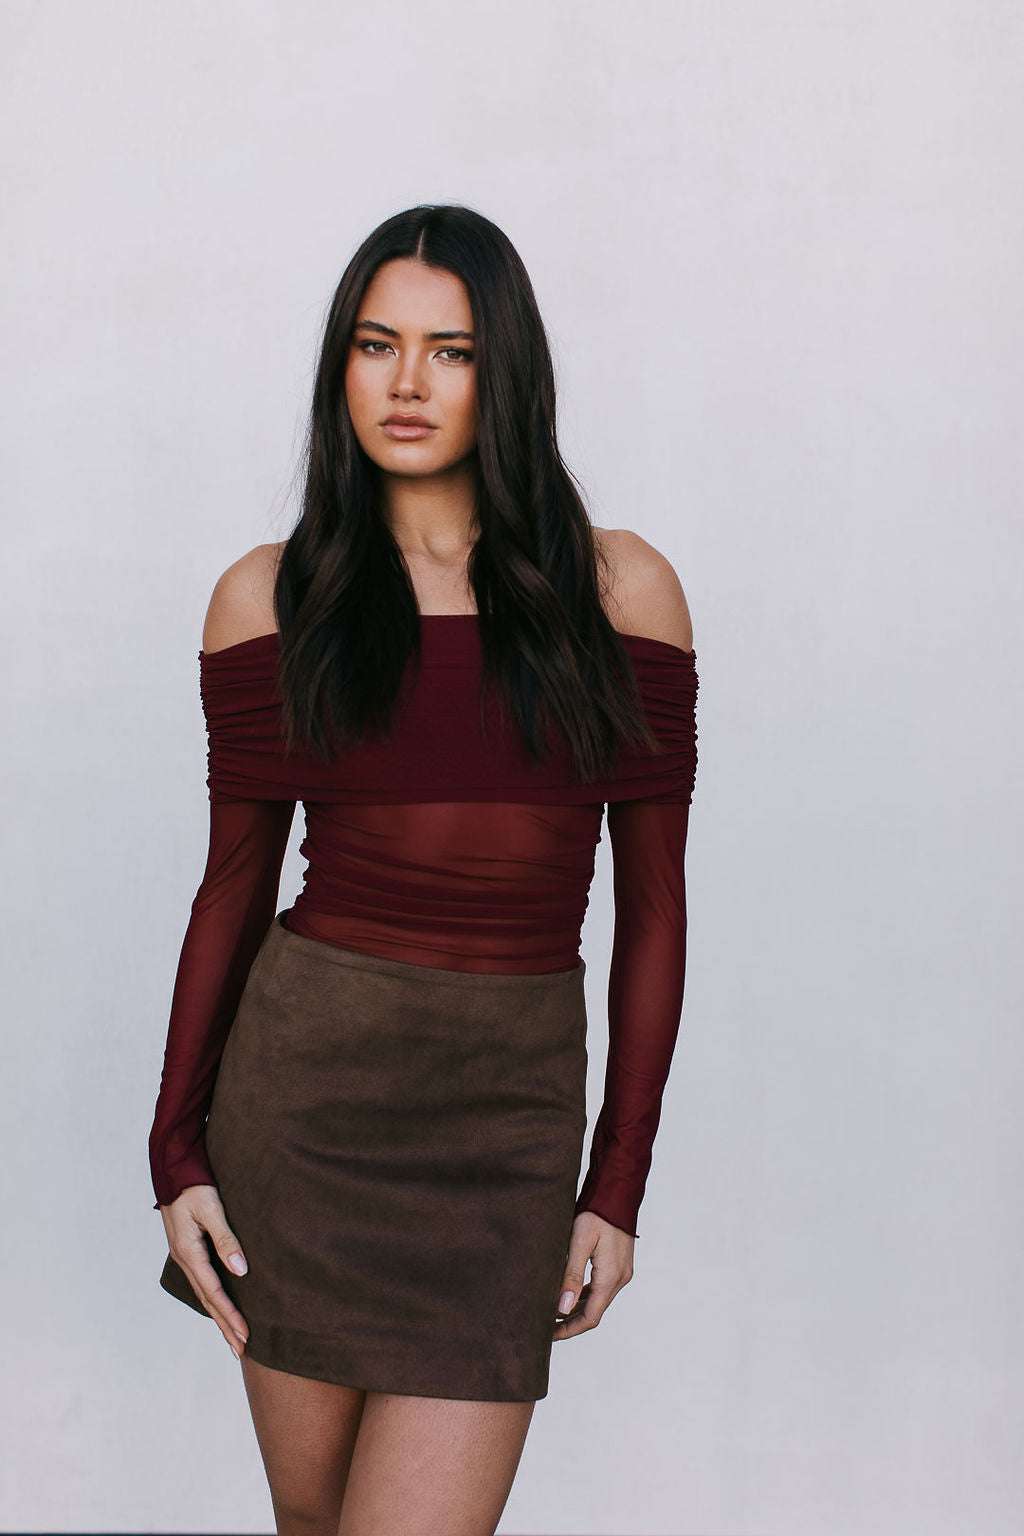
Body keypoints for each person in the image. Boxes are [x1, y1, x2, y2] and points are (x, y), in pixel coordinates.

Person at [149, 203, 698, 1536]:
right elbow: (231, 887)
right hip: (305, 1112)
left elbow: (656, 909)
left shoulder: (622, 592)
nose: (405, 384)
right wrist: (174, 1155)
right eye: (374, 345)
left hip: (505, 1128)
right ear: (339, 368)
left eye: (449, 351)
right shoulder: (271, 597)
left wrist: (615, 1182)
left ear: (503, 375)